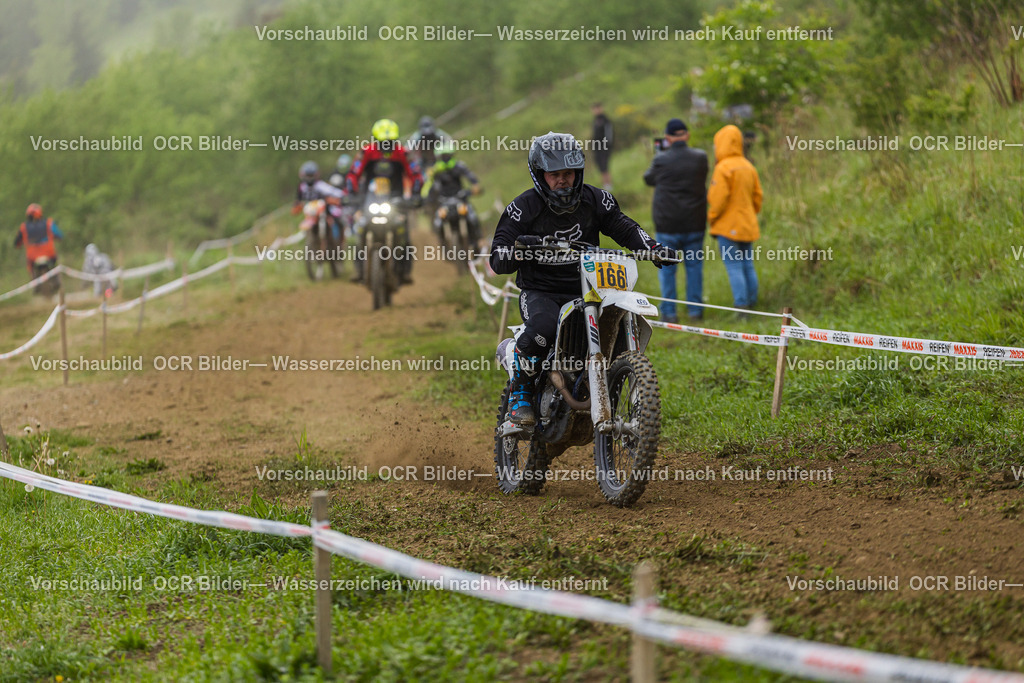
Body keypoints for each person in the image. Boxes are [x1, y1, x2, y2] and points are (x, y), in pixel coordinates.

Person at [489, 132, 671, 426]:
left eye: (569, 174)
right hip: (541, 292)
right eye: (555, 175)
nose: (563, 181)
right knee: (544, 328)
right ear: (539, 175)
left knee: (616, 318)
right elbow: (497, 257)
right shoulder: (523, 207)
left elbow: (623, 227)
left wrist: (652, 248)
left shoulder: (596, 199)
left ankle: (618, 385)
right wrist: (520, 250)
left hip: (590, 290)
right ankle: (519, 388)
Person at [643, 118, 708, 322]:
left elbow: (648, 179)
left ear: (668, 138)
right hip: (695, 221)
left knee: (667, 269)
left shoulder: (661, 159)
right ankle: (695, 311)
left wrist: (659, 155)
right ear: (687, 135)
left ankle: (669, 313)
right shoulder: (701, 157)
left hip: (667, 223)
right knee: (694, 267)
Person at [348, 119, 423, 284]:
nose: (387, 147)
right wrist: (352, 193)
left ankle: (404, 271)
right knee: (360, 229)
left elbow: (416, 175)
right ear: (376, 140)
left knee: (403, 232)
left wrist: (416, 194)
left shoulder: (403, 153)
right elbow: (353, 173)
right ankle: (359, 270)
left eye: (390, 142)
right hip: (370, 199)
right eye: (383, 143)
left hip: (397, 201)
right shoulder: (366, 152)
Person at [708, 124, 763, 314]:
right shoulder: (749, 165)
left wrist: (712, 218)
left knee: (734, 266)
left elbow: (718, 200)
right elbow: (757, 197)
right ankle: (753, 303)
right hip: (748, 225)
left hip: (727, 227)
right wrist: (751, 212)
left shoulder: (722, 168)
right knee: (748, 264)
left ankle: (742, 306)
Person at [427, 141, 483, 246]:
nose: (445, 158)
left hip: (460, 199)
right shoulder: (434, 171)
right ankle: (443, 245)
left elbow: (471, 177)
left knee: (472, 217)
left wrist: (475, 186)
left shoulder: (459, 166)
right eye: (443, 156)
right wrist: (428, 197)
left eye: (447, 155)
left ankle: (479, 241)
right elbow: (429, 186)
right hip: (443, 202)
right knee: (437, 223)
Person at [292, 160, 346, 243]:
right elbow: (298, 200)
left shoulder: (320, 185)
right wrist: (297, 205)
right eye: (308, 175)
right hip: (310, 214)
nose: (309, 178)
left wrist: (343, 196)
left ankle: (338, 242)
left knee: (337, 220)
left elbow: (333, 191)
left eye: (311, 175)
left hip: (325, 211)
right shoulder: (301, 187)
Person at [14, 203, 64, 273]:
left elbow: (17, 243)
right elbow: (59, 235)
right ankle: (56, 278)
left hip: (32, 258)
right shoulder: (49, 223)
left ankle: (34, 279)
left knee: (31, 271)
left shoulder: (23, 227)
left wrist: (20, 245)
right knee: (54, 265)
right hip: (49, 254)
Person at [590, 103, 614, 191]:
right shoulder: (595, 120)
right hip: (597, 148)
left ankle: (609, 185)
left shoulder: (605, 120)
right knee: (600, 166)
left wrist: (607, 146)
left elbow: (609, 134)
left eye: (597, 108)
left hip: (604, 147)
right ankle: (604, 184)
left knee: (605, 166)